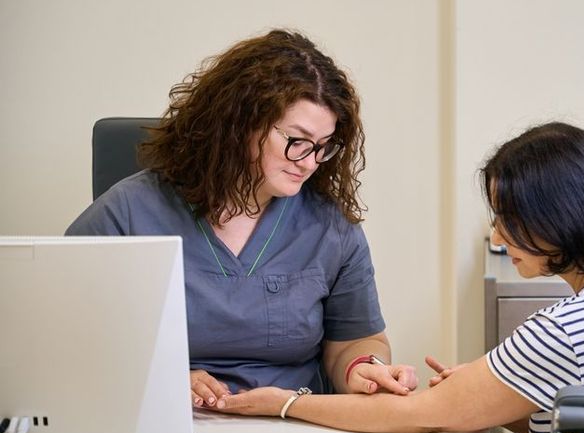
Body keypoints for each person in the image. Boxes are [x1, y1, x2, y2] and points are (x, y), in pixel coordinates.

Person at [213, 121, 584, 433]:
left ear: (560, 217)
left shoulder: (563, 332)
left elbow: (416, 416)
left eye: (508, 220)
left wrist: (282, 402)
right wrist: (498, 391)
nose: (498, 237)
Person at [66, 29, 418, 408]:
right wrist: (158, 378)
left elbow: (355, 339)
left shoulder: (330, 227)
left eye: (323, 147)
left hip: (294, 421)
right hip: (171, 421)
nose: (310, 161)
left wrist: (362, 366)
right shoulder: (128, 214)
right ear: (238, 124)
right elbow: (66, 338)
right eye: (296, 140)